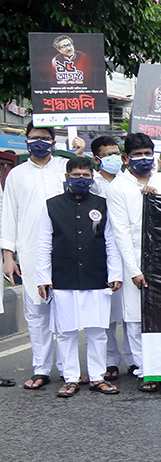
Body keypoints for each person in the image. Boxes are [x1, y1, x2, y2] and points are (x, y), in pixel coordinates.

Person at [36, 156, 123, 397]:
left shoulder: (102, 205)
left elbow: (111, 241)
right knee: (66, 332)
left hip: (96, 275)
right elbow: (43, 243)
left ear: (92, 178)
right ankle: (71, 378)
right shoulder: (51, 205)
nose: (81, 179)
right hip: (63, 277)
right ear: (67, 177)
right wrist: (43, 278)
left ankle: (97, 377)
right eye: (76, 175)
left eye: (86, 175)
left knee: (97, 331)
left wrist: (115, 273)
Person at [106, 133, 161, 392]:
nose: (143, 159)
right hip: (136, 261)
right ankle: (144, 370)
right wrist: (134, 270)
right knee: (136, 318)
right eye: (137, 155)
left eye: (147, 154)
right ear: (126, 158)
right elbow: (121, 231)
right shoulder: (118, 187)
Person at [2, 124, 69, 390]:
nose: (39, 142)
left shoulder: (65, 167)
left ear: (54, 142)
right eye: (34, 138)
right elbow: (9, 215)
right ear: (26, 141)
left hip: (65, 249)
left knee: (65, 312)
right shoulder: (17, 175)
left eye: (44, 138)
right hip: (30, 251)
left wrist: (78, 153)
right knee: (37, 313)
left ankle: (68, 369)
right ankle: (41, 369)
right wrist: (8, 255)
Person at [88, 134, 128, 379]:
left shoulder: (129, 180)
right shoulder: (91, 184)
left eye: (116, 153)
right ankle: (111, 360)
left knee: (131, 312)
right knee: (107, 313)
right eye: (107, 155)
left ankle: (134, 360)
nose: (113, 158)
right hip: (101, 251)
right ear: (96, 159)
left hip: (128, 251)